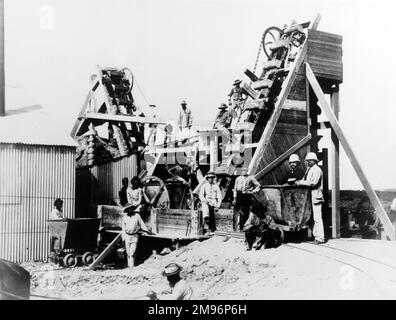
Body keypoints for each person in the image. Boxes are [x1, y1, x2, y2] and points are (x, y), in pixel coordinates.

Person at [295, 152, 325, 244]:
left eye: (310, 160)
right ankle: (314, 236)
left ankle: (320, 238)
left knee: (317, 217)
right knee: (311, 217)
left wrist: (300, 183)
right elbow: (305, 180)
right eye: (307, 161)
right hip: (309, 195)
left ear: (315, 161)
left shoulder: (317, 170)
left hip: (316, 195)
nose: (308, 162)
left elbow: (313, 183)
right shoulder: (309, 169)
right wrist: (299, 181)